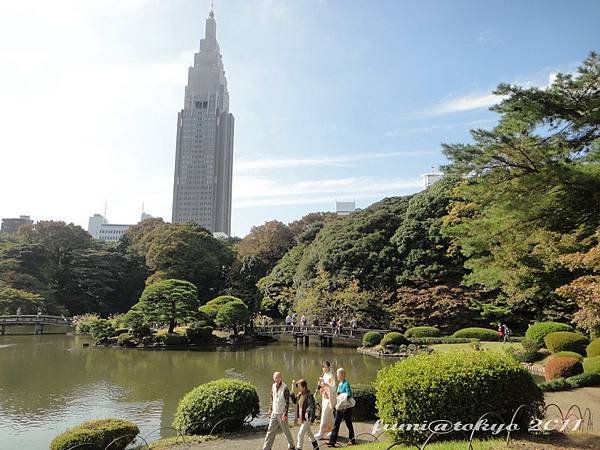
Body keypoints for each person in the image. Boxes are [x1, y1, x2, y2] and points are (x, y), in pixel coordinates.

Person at [262, 372, 296, 450]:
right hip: (274, 412)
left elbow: (287, 402)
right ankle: (266, 447)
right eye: (275, 378)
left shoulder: (285, 388)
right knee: (270, 430)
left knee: (286, 430)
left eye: (278, 377)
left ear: (281, 378)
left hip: (281, 413)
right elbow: (272, 398)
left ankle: (292, 445)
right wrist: (270, 409)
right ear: (273, 378)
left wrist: (285, 414)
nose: (276, 379)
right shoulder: (273, 386)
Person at [328, 368, 355, 447]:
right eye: (337, 374)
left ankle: (352, 440)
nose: (337, 376)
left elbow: (349, 394)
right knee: (336, 424)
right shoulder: (340, 384)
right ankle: (332, 442)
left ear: (343, 375)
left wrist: (341, 394)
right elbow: (338, 394)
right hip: (340, 407)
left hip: (346, 408)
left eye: (338, 374)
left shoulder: (346, 384)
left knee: (348, 424)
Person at [291, 379, 318, 450]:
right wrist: (292, 393)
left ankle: (299, 448)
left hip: (306, 418)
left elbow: (311, 406)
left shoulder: (309, 395)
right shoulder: (300, 395)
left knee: (300, 434)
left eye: (299, 386)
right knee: (309, 434)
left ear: (304, 387)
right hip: (302, 418)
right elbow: (294, 401)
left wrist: (310, 418)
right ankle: (316, 447)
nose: (298, 388)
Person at [315, 361, 336, 440]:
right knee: (329, 416)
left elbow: (333, 388)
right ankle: (333, 430)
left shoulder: (331, 376)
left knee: (324, 414)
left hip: (329, 398)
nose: (325, 368)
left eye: (327, 367)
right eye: (324, 367)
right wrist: (320, 386)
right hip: (324, 397)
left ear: (329, 367)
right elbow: (321, 386)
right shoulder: (324, 375)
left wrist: (325, 384)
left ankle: (321, 432)